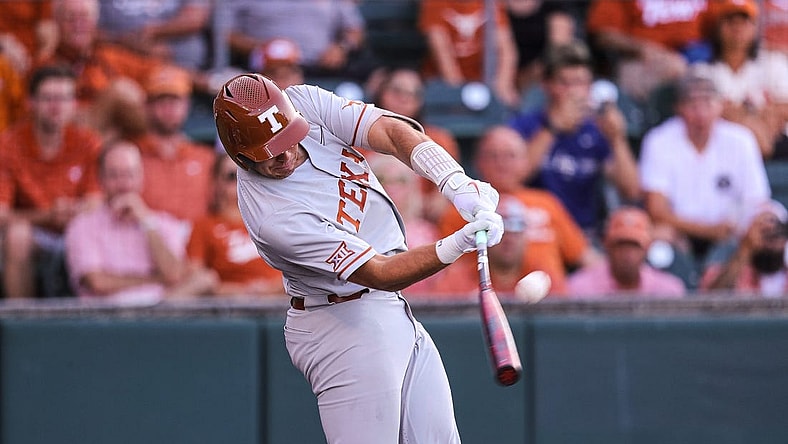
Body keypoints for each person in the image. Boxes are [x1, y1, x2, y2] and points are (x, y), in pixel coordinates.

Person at [213, 72, 504, 443]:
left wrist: (455, 183)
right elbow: (380, 272)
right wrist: (458, 242)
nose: (286, 156)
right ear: (240, 157)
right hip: (338, 323)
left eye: (288, 139)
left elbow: (390, 132)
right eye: (269, 154)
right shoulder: (274, 218)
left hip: (389, 309)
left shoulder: (303, 101)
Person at [437, 125, 601, 296]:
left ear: (525, 161)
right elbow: (449, 268)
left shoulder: (546, 203)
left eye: (510, 156)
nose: (501, 163)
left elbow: (586, 258)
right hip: (481, 296)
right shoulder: (460, 208)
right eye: (493, 156)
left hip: (548, 299)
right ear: (478, 162)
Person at [639, 72, 772, 272]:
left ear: (721, 105)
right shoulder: (658, 141)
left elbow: (757, 200)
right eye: (692, 105)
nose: (701, 113)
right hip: (678, 233)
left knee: (771, 221)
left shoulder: (741, 140)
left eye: (708, 103)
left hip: (732, 234)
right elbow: (656, 209)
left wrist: (733, 229)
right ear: (679, 108)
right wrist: (708, 230)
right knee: (657, 235)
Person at [508, 41, 641, 239]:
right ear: (547, 85)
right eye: (565, 83)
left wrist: (617, 139)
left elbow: (630, 190)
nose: (574, 91)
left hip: (585, 233)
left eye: (582, 83)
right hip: (536, 230)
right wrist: (552, 128)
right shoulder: (524, 126)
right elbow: (512, 178)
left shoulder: (597, 129)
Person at [65, 139, 218, 304]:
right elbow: (96, 282)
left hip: (161, 315)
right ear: (101, 179)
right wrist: (156, 280)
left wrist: (146, 222)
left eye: (129, 174)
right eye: (114, 175)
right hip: (108, 316)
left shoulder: (163, 223)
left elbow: (174, 274)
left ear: (141, 177)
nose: (123, 184)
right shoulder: (82, 225)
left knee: (205, 279)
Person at [0, 65, 103, 298]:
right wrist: (47, 215)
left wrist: (70, 211)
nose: (57, 107)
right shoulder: (8, 145)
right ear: (31, 103)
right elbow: (1, 214)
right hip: (35, 233)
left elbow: (95, 202)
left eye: (64, 98)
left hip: (78, 228)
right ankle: (22, 323)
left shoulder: (87, 143)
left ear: (75, 105)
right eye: (48, 98)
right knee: (17, 235)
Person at [367, 66, 461, 224]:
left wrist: (434, 203)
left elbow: (445, 194)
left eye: (414, 94)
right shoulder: (357, 137)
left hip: (420, 223)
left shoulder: (438, 139)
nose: (405, 98)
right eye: (397, 90)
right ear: (381, 91)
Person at [694, 0, 788, 159]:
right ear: (718, 27)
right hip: (725, 150)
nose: (737, 27)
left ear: (755, 27)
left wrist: (750, 116)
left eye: (744, 21)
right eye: (730, 21)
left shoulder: (773, 62)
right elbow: (709, 115)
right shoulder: (703, 71)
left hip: (779, 142)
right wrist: (755, 120)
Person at [186, 153, 284, 297]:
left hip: (281, 300)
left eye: (247, 174)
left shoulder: (276, 219)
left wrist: (269, 290)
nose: (241, 182)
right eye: (232, 176)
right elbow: (196, 278)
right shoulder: (204, 226)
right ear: (216, 183)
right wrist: (243, 292)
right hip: (228, 307)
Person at [585, 0, 710, 102]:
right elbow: (602, 33)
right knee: (676, 68)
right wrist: (640, 48)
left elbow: (726, 16)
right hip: (640, 59)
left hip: (698, 58)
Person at [135, 64, 214, 223]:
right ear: (146, 105)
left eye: (175, 99)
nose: (168, 107)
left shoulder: (206, 158)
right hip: (146, 240)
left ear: (187, 104)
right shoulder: (132, 154)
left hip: (195, 240)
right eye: (161, 99)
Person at [223, 0, 374, 81]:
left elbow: (355, 30)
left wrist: (342, 47)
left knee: (381, 78)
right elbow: (225, 33)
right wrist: (265, 48)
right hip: (269, 68)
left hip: (321, 65)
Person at [425, 194, 532, 299]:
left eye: (516, 232)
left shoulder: (540, 274)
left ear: (525, 236)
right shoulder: (458, 281)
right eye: (502, 233)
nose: (509, 240)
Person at [418, 0, 520, 108]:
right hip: (442, 81)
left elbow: (507, 51)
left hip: (482, 80)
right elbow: (442, 54)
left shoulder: (491, 4)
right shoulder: (435, 3)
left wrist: (502, 86)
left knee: (509, 102)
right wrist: (460, 92)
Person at [567, 206, 686, 298]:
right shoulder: (580, 288)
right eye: (620, 245)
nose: (627, 254)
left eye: (634, 246)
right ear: (607, 246)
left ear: (646, 249)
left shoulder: (667, 290)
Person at [700, 200, 788, 296]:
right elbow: (710, 301)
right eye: (763, 230)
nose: (772, 234)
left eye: (778, 228)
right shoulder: (725, 264)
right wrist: (746, 249)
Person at [96, 0, 211, 70]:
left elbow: (195, 18)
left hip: (182, 74)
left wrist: (152, 33)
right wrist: (128, 44)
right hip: (117, 69)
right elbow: (87, 29)